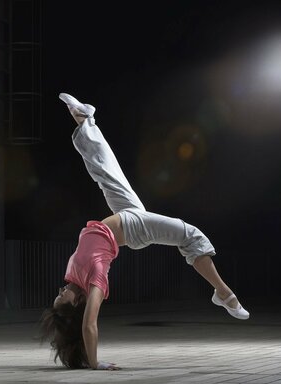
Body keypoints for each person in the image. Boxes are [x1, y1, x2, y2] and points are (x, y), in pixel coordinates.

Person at [39, 93, 249, 370]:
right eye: (61, 298)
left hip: (125, 217)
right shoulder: (95, 281)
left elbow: (76, 310)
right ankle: (223, 293)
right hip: (134, 229)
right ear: (74, 303)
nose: (60, 291)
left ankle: (84, 120)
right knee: (191, 235)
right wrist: (95, 364)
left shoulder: (72, 277)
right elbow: (89, 325)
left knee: (104, 172)